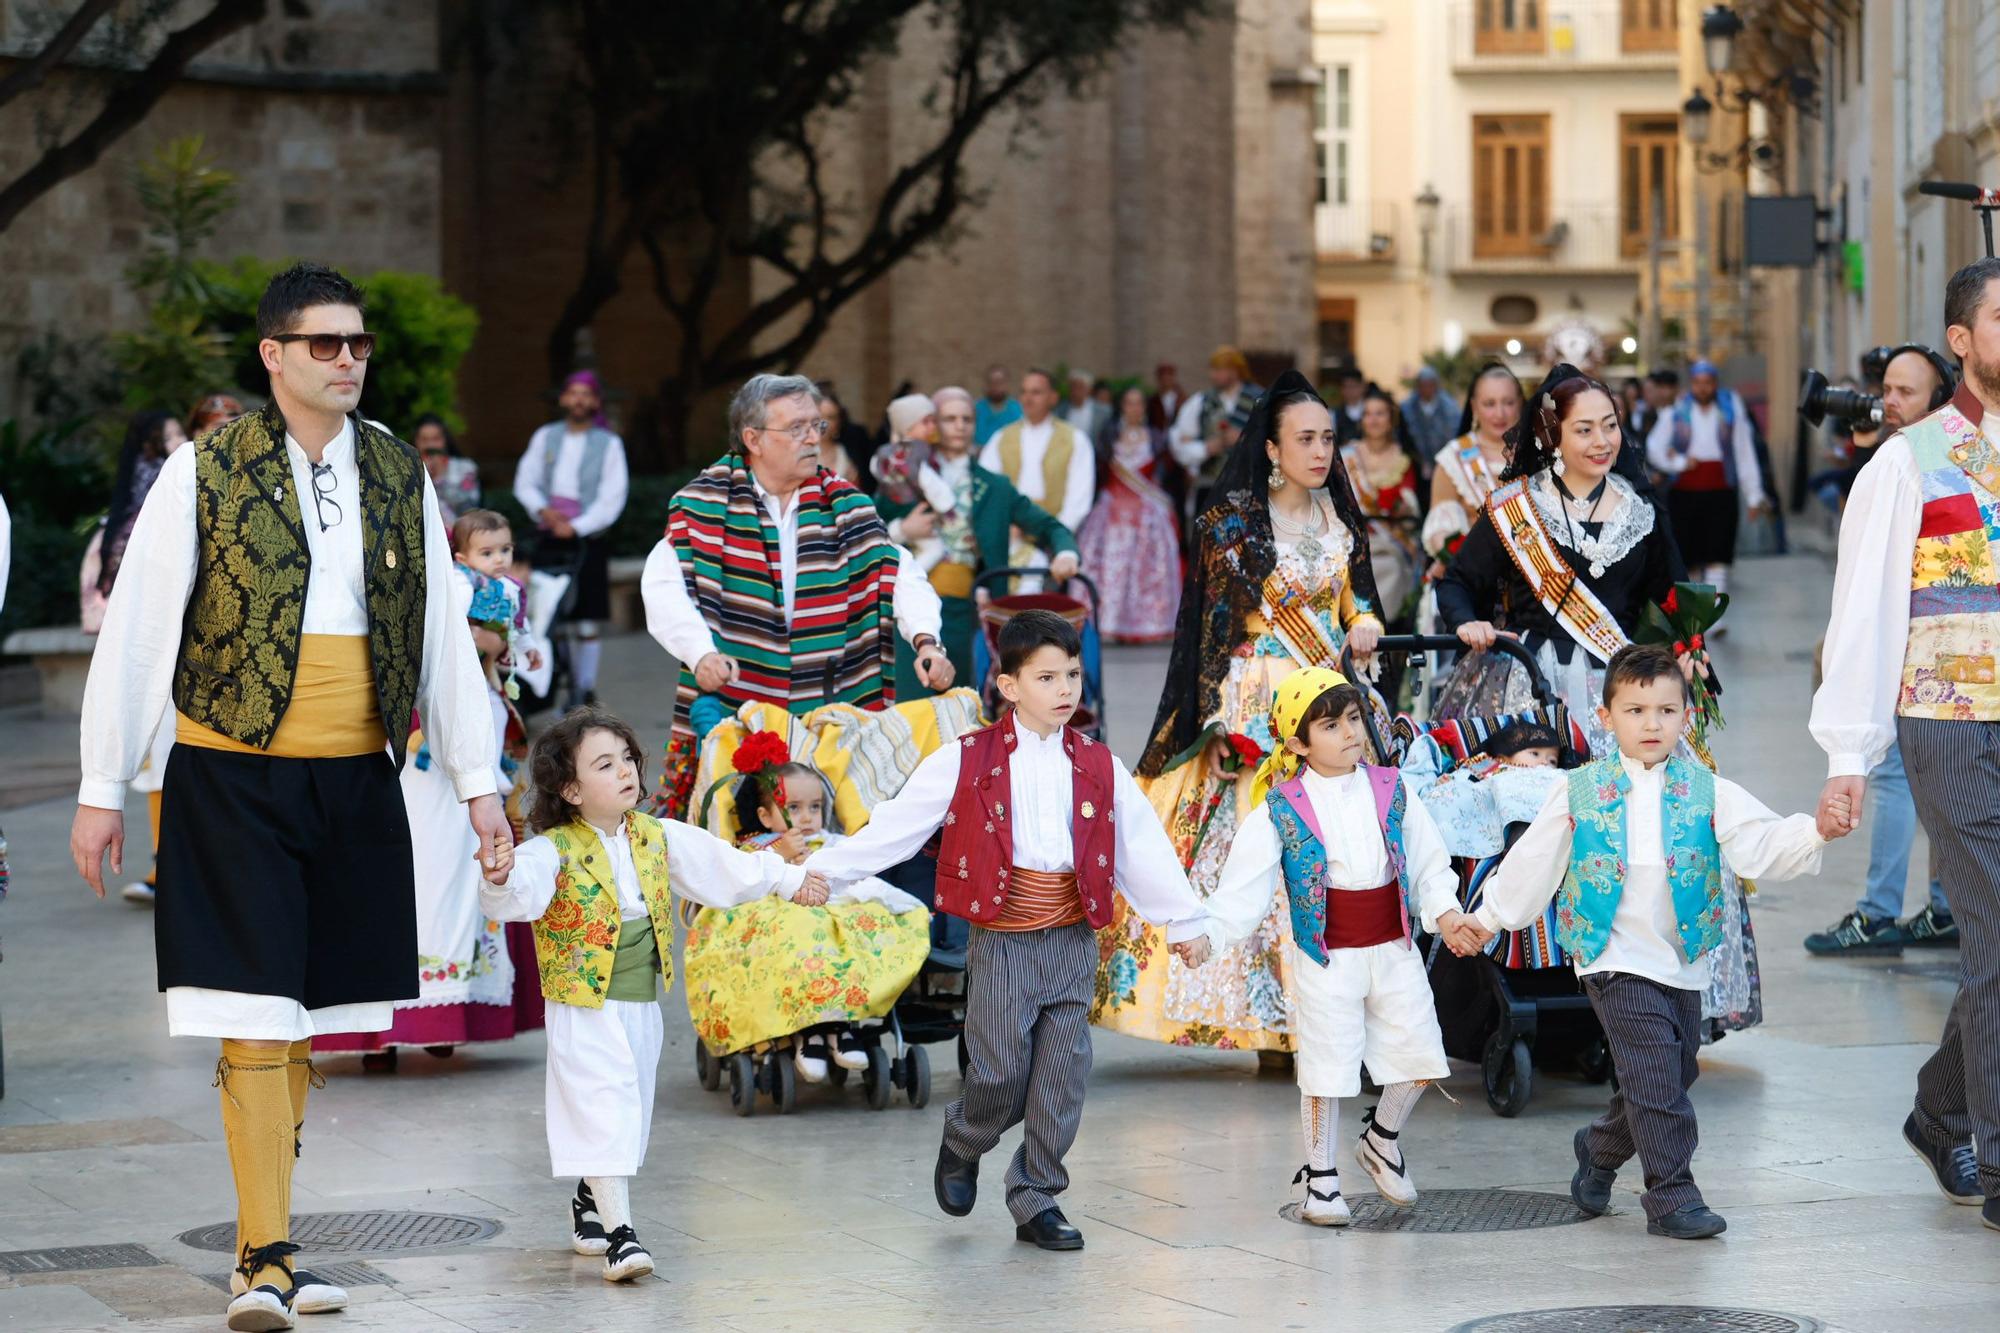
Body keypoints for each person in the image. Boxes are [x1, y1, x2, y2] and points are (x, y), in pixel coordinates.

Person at [70, 262, 507, 1330]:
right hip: (229, 772)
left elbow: (440, 634)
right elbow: (138, 630)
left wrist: (479, 780)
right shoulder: (202, 471)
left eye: (357, 343)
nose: (347, 359)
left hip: (358, 773)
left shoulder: (402, 471)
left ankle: (277, 1240)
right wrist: (100, 784)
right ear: (273, 356)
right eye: (324, 343)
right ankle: (261, 1254)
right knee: (253, 1012)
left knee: (310, 1010)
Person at [806, 610, 1214, 1251]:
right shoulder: (967, 759)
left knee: (1064, 1074)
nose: (1065, 690)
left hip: (1073, 937)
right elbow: (896, 827)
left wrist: (1184, 921)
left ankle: (1036, 1196)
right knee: (998, 1071)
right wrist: (824, 871)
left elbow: (1140, 845)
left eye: (1073, 675)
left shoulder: (1099, 764)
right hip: (1002, 936)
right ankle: (965, 1137)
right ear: (1009, 685)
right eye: (1047, 677)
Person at [1435, 368, 1763, 1042]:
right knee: (1541, 827)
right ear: (1552, 434)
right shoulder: (1515, 508)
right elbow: (1459, 584)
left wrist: (1689, 648)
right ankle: (1532, 981)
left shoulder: (1642, 507)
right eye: (1584, 428)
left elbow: (1673, 594)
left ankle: (1644, 985)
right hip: (1533, 689)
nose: (1601, 439)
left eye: (1609, 424)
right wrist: (1470, 620)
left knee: (1649, 828)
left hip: (1622, 693)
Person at [1465, 645, 1834, 1239]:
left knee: (1670, 1074)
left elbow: (1759, 843)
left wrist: (1816, 829)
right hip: (1611, 957)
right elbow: (1532, 861)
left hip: (1680, 960)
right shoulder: (1579, 790)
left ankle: (1601, 1148)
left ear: (1686, 715)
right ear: (1606, 717)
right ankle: (1671, 1195)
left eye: (1666, 710)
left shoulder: (1707, 790)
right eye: (1635, 710)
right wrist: (1486, 919)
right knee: (1656, 1079)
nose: (1652, 724)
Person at [479, 708, 827, 1282]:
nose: (624, 772)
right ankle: (622, 1236)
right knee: (603, 1100)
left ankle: (590, 1202)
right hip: (583, 1002)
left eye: (627, 760)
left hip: (639, 999)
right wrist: (499, 877)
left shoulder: (655, 836)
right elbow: (518, 893)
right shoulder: (553, 850)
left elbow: (723, 868)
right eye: (603, 764)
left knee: (631, 1105)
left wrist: (788, 880)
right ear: (570, 789)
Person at [1095, 369, 1383, 1058]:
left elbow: (1358, 600)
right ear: (1273, 449)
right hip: (1258, 700)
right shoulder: (1231, 526)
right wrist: (1217, 720)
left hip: (1332, 702)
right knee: (1256, 849)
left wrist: (1366, 620)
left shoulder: (1342, 522)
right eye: (1305, 439)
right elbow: (1208, 631)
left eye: (1328, 438)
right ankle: (1267, 1017)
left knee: (1332, 847)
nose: (1320, 451)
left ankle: (1326, 1006)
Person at [1812, 257, 2000, 1231]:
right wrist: (1849, 755)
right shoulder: (1906, 461)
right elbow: (1866, 613)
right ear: (1960, 341)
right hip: (1946, 723)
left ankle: (1940, 1108)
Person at [1203, 670, 1459, 1224]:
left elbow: (1428, 862)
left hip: (1393, 946)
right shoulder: (1282, 806)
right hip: (1326, 955)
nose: (1349, 733)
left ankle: (1381, 1139)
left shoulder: (1393, 788)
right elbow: (1242, 889)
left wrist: (1445, 911)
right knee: (1328, 1066)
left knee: (1420, 1055)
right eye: (1330, 725)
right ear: (1297, 742)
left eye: (1352, 720)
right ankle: (1321, 1178)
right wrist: (1211, 935)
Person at [643, 373, 952, 819]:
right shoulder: (704, 504)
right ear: (754, 439)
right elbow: (664, 587)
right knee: (739, 834)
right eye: (797, 428)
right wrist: (700, 654)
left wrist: (926, 640)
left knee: (832, 839)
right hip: (737, 701)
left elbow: (899, 572)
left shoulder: (847, 503)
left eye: (817, 426)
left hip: (834, 702)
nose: (812, 438)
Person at [317, 508, 549, 1067]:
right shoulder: (389, 584)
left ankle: (448, 1013)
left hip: (472, 743)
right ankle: (379, 1022)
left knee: (461, 871)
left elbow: (499, 654)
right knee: (400, 875)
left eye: (504, 550)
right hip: (402, 749)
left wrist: (499, 648)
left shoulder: (489, 592)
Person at [1806, 344, 1959, 957]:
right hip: (1937, 663)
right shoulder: (1919, 454)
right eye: (1886, 389)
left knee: (1893, 777)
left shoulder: (1916, 459)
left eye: (1905, 392)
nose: (1888, 402)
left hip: (1917, 657)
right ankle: (1943, 907)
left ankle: (1877, 912)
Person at [705, 755, 931, 1080]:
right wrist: (779, 856)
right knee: (802, 928)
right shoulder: (756, 848)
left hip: (834, 916)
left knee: (859, 927)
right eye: (793, 808)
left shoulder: (832, 844)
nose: (807, 818)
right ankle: (809, 1030)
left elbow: (860, 876)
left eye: (815, 807)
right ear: (765, 816)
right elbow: (739, 879)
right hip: (783, 924)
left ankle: (839, 1025)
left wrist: (904, 904)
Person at [874, 385, 1077, 690]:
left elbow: (1050, 526)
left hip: (962, 609)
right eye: (949, 418)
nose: (959, 426)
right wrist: (904, 529)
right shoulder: (905, 472)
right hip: (904, 608)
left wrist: (1065, 554)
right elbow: (866, 528)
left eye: (967, 419)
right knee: (909, 708)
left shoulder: (994, 486)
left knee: (959, 709)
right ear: (932, 424)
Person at [83, 411, 190, 906]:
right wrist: (101, 794)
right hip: (156, 643)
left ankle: (172, 863)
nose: (181, 442)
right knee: (158, 758)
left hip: (199, 652)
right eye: (170, 436)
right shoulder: (168, 488)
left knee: (168, 758)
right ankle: (163, 864)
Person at [513, 370, 629, 706]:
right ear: (563, 398)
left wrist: (577, 526)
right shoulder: (545, 436)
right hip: (549, 535)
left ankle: (585, 686)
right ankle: (557, 680)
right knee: (551, 613)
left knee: (586, 616)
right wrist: (543, 511)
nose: (578, 400)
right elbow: (526, 481)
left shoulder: (609, 444)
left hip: (586, 540)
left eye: (586, 394)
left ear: (595, 401)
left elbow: (613, 497)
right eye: (572, 393)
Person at [1644, 359, 1766, 602]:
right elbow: (1654, 447)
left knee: (1718, 552)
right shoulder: (1677, 410)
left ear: (1715, 384)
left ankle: (1715, 614)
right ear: (1692, 384)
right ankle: (1695, 616)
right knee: (1688, 555)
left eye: (1708, 383)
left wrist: (1754, 495)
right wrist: (1678, 463)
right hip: (1685, 491)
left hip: (1721, 490)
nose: (1703, 388)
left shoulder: (1731, 410)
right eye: (1698, 383)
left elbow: (1743, 452)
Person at [1077, 385, 1182, 643]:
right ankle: (1108, 622)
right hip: (1113, 507)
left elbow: (1165, 476)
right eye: (1129, 403)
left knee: (1147, 564)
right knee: (1110, 562)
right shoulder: (1109, 436)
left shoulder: (1157, 438)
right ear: (1121, 407)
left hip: (1147, 510)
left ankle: (1146, 624)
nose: (1134, 408)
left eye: (1138, 403)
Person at [980, 366, 1096, 556]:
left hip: (1055, 538)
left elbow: (1079, 497)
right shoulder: (1001, 438)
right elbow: (986, 487)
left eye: (1036, 392)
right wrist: (1003, 527)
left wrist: (1056, 533)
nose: (1028, 398)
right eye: (1024, 392)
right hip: (1009, 537)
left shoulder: (1075, 439)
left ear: (1053, 397)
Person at [1342, 386, 1425, 630]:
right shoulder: (1347, 456)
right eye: (1368, 413)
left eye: (1380, 413)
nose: (1373, 419)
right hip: (1352, 540)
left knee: (1392, 569)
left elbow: (1411, 506)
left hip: (1391, 541)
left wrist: (1405, 508)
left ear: (1391, 420)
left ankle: (1381, 632)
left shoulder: (1405, 458)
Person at [1422, 363, 1521, 562]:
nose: (1499, 414)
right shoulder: (1454, 458)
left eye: (1508, 402)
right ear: (1474, 406)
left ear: (1520, 403)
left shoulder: (1540, 452)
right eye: (1489, 404)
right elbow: (1440, 530)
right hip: (1473, 574)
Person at [1170, 346, 1262, 533]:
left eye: (1218, 370)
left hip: (1251, 490)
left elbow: (1278, 442)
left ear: (1234, 371)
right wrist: (1206, 448)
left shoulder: (1261, 400)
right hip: (1211, 488)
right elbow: (1178, 446)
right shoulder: (1201, 402)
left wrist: (1246, 439)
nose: (1212, 375)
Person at [412, 414, 480, 529]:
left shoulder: (465, 469)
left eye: (436, 439)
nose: (430, 445)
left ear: (445, 440)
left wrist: (439, 477)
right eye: (424, 440)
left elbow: (470, 509)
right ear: (416, 441)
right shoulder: (410, 470)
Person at [815, 381, 876, 487]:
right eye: (819, 416)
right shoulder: (796, 453)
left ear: (838, 422)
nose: (823, 423)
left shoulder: (848, 453)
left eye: (830, 417)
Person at [1401, 366, 1460, 468]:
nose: (1427, 389)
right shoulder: (1407, 408)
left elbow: (1455, 433)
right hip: (1417, 464)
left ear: (1436, 385)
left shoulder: (1450, 407)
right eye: (1423, 385)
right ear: (1418, 386)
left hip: (1446, 461)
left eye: (1430, 384)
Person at [975, 364, 1023, 445]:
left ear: (1007, 384)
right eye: (991, 382)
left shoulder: (1019, 411)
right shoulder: (975, 410)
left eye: (1000, 382)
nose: (995, 386)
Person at [1059, 368, 1107, 443]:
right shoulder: (1060, 410)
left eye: (1080, 387)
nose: (1076, 391)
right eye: (1073, 386)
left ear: (1089, 389)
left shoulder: (1103, 411)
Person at [1330, 364, 1368, 445]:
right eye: (1346, 387)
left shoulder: (1371, 411)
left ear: (1362, 387)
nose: (1349, 391)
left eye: (1353, 386)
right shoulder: (1333, 415)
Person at [1147, 361, 1185, 432]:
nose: (1166, 378)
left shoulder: (1182, 399)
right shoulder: (1153, 400)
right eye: (1163, 375)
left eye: (1169, 374)